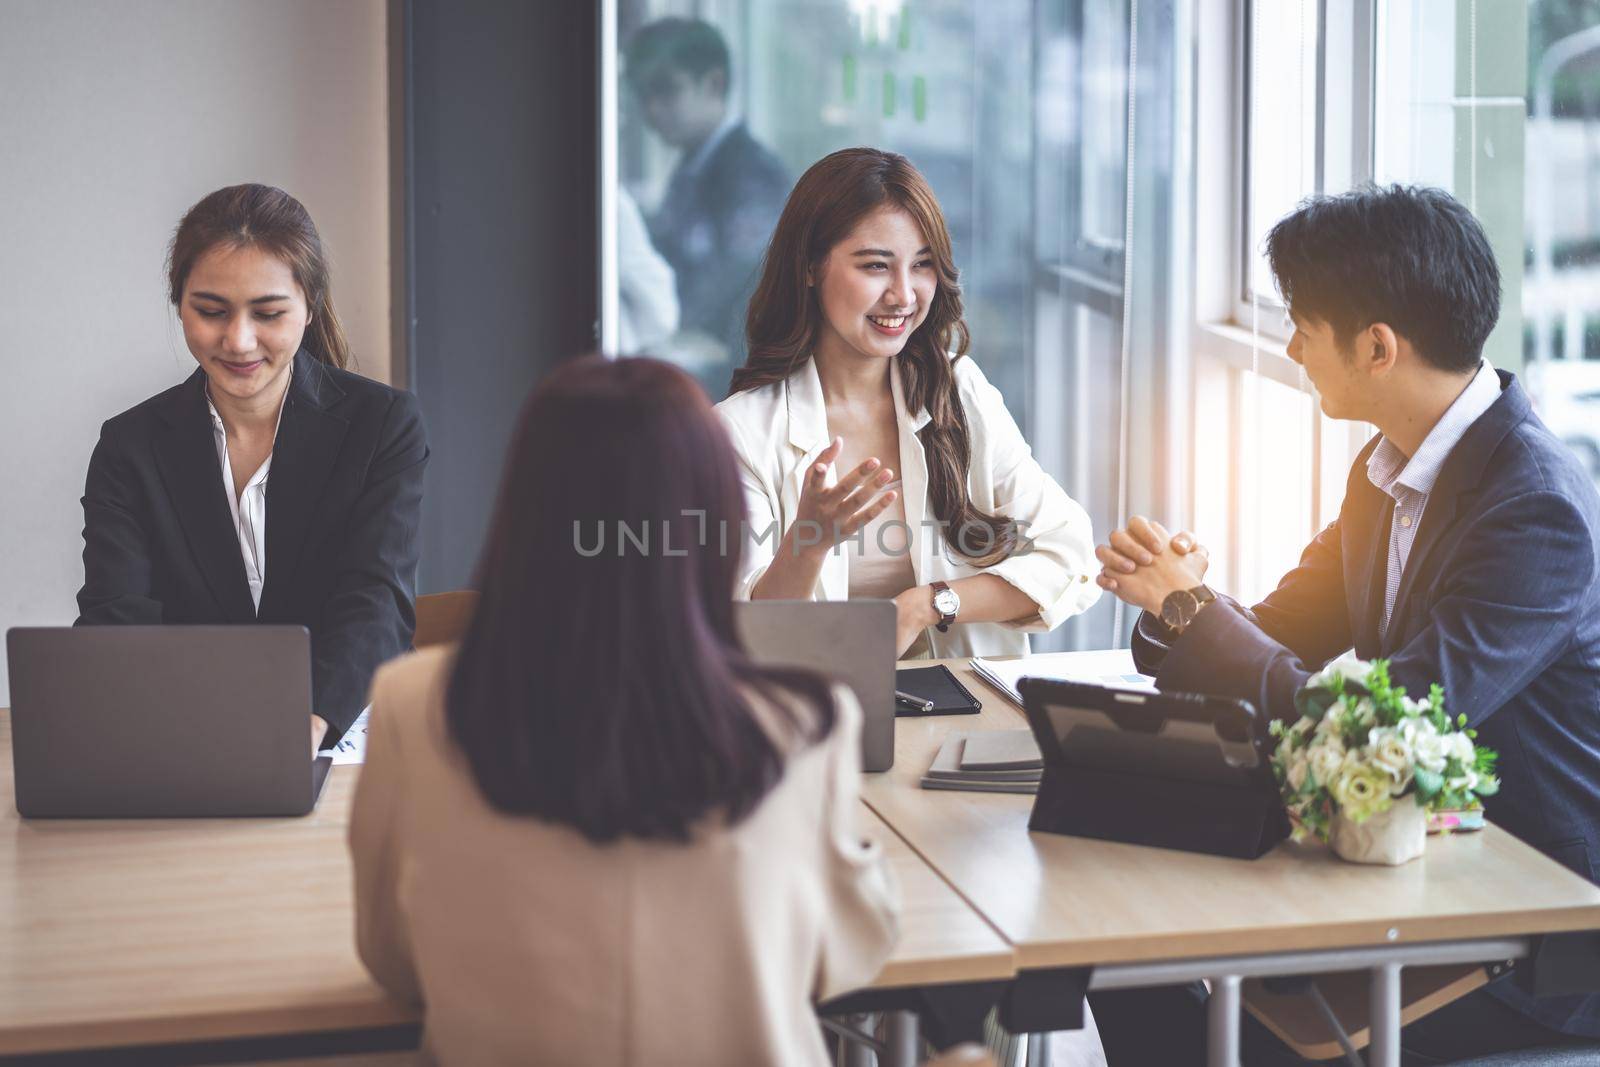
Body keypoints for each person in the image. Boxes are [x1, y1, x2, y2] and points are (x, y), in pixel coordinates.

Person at [1091, 185, 1600, 1065]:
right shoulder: (1387, 466)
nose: (1289, 346)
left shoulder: (1535, 512)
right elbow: (1286, 630)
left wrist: (1194, 608)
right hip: (1407, 864)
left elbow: (1387, 724)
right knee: (1128, 939)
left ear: (1376, 346)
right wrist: (1171, 603)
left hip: (1533, 937)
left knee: (1221, 1019)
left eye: (1301, 323)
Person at [349, 356, 898, 1066]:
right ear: (717, 521)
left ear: (523, 513)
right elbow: (849, 955)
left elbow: (392, 958)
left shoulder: (410, 705)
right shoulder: (805, 721)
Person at [76, 184, 427, 751]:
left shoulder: (382, 423)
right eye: (210, 311)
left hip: (347, 725)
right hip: (191, 735)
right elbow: (117, 616)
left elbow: (376, 601)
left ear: (309, 306)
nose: (238, 341)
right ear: (179, 303)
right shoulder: (129, 446)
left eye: (267, 313)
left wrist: (306, 730)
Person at [717, 147, 1100, 659]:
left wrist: (925, 605)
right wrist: (809, 542)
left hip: (960, 711)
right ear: (809, 268)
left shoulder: (958, 391)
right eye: (876, 265)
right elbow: (740, 634)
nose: (903, 295)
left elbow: (1070, 555)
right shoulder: (739, 432)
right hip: (811, 718)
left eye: (921, 265)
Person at [625, 16, 790, 386]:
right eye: (644, 94)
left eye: (667, 91)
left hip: (731, 377)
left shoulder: (752, 176)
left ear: (714, 84)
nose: (651, 110)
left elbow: (733, 281)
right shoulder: (693, 167)